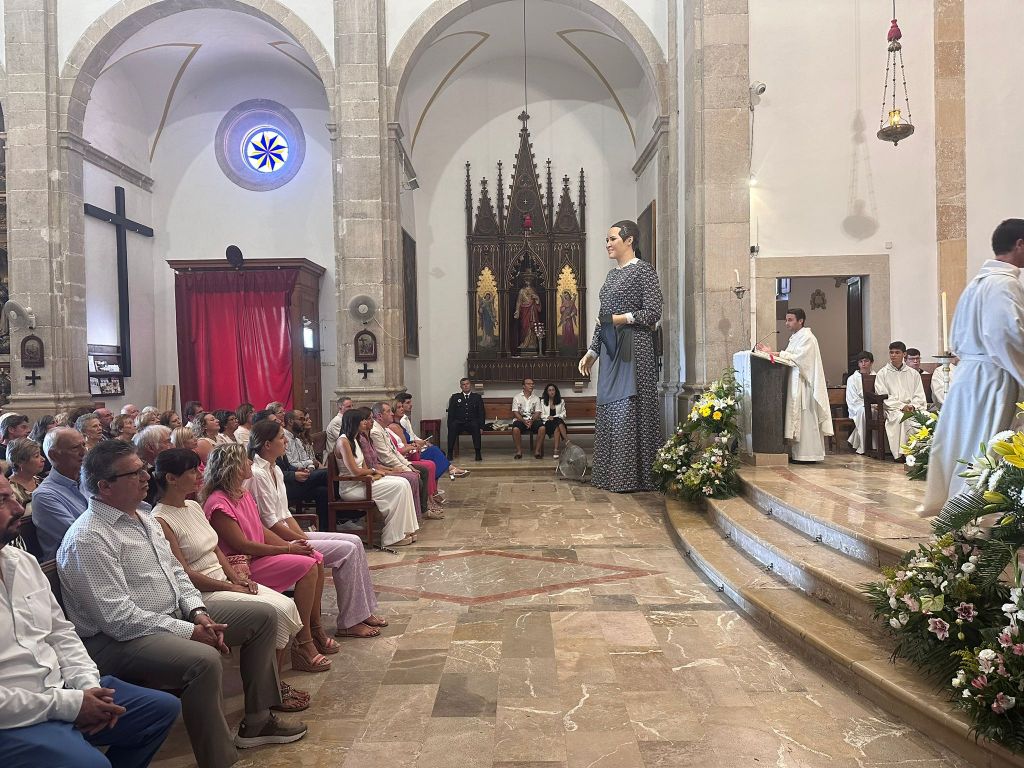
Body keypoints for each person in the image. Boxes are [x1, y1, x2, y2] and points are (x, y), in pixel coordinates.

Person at [57, 440, 307, 767]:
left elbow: (176, 571)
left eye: (144, 469)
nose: (147, 477)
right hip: (117, 640)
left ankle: (258, 721)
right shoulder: (89, 537)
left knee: (262, 616)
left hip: (170, 615)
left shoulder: (142, 517)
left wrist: (197, 612)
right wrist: (188, 631)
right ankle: (218, 759)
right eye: (134, 473)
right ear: (105, 486)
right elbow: (117, 618)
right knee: (203, 660)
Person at [0, 472, 181, 768]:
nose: (19, 508)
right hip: (15, 718)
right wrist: (70, 706)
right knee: (91, 764)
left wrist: (87, 687)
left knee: (159, 710)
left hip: (62, 688)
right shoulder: (86, 535)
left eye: (13, 496)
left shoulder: (22, 562)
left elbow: (60, 634)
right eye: (2, 500)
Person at [151, 448, 309, 713]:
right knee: (276, 611)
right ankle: (268, 692)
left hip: (224, 579)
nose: (200, 474)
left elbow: (215, 548)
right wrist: (229, 586)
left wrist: (237, 578)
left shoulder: (193, 506)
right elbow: (184, 573)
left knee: (287, 606)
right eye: (192, 470)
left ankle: (273, 682)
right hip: (202, 593)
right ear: (171, 478)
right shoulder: (160, 519)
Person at [247, 420, 387, 639]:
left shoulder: (275, 469)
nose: (285, 441)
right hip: (274, 539)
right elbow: (270, 523)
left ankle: (362, 612)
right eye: (281, 438)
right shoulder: (258, 473)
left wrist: (302, 536)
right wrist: (300, 541)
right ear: (267, 444)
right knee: (347, 551)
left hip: (286, 531)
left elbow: (285, 514)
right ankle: (349, 623)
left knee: (355, 541)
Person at [202, 443, 332, 674]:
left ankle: (315, 629)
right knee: (308, 565)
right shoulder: (218, 503)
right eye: (245, 459)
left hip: (257, 556)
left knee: (315, 557)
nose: (250, 462)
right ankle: (303, 642)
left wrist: (290, 545)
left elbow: (260, 529)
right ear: (233, 467)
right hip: (242, 565)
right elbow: (241, 544)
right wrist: (287, 550)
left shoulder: (242, 493)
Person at [924, 219, 1024, 513]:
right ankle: (977, 516)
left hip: (970, 374)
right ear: (1020, 244)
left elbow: (958, 338)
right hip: (993, 377)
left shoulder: (977, 284)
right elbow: (1006, 336)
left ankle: (959, 511)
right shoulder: (1003, 283)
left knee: (967, 443)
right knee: (988, 445)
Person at [578, 219, 664, 490]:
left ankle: (634, 477)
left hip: (635, 347)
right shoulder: (611, 276)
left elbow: (653, 312)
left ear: (629, 240)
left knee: (627, 408)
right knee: (609, 409)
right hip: (611, 349)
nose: (608, 244)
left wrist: (621, 318)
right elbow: (603, 318)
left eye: (612, 239)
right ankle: (610, 476)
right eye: (606, 239)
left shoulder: (644, 271)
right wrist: (593, 350)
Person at [756, 308, 833, 463]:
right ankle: (798, 454)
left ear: (801, 320)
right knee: (798, 420)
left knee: (806, 419)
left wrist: (776, 353)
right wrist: (772, 354)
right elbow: (790, 358)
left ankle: (809, 455)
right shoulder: (796, 337)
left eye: (790, 320)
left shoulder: (808, 337)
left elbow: (800, 360)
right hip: (796, 384)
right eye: (786, 320)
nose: (786, 323)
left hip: (804, 386)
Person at [335, 409, 419, 547]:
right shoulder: (343, 442)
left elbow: (363, 465)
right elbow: (355, 471)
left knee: (404, 483)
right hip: (351, 488)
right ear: (354, 422)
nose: (365, 422)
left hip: (363, 482)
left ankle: (405, 530)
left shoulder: (355, 439)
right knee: (398, 487)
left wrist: (374, 474)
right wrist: (374, 471)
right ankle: (392, 537)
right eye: (362, 420)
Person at [369, 402, 436, 518]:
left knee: (423, 470)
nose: (392, 413)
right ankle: (414, 513)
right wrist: (407, 469)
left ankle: (423, 510)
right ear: (379, 416)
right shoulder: (375, 431)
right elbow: (386, 457)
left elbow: (394, 452)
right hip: (386, 466)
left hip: (394, 463)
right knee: (416, 478)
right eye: (388, 411)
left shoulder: (383, 429)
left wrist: (409, 465)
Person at [31, 428, 88, 560]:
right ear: (54, 455)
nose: (84, 452)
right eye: (75, 448)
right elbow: (82, 539)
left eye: (84, 445)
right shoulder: (44, 496)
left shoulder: (89, 481)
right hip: (74, 563)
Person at [394, 393, 468, 480]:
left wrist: (423, 442)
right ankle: (446, 472)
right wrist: (419, 444)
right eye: (407, 403)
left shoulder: (404, 419)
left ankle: (445, 472)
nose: (411, 405)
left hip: (413, 446)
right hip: (410, 451)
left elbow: (412, 435)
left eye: (410, 402)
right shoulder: (400, 422)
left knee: (438, 451)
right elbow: (405, 443)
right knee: (435, 451)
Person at [874, 341, 927, 460]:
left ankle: (921, 453)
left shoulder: (913, 373)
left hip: (912, 408)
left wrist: (913, 406)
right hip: (892, 409)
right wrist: (902, 406)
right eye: (891, 352)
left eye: (897, 352)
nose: (893, 355)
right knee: (902, 418)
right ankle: (902, 453)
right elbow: (883, 395)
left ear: (904, 354)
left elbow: (919, 394)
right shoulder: (882, 373)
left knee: (925, 417)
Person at [446, 377, 485, 461]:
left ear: (470, 385)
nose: (466, 386)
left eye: (467, 384)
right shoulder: (455, 397)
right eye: (463, 384)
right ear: (461, 386)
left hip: (471, 422)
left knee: (476, 426)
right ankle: (449, 453)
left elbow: (481, 412)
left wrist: (481, 426)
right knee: (453, 426)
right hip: (459, 423)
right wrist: (449, 425)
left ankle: (478, 453)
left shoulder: (477, 397)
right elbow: (451, 413)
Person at [845, 352, 874, 455]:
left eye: (866, 361)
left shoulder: (877, 377)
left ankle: (877, 446)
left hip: (875, 406)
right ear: (858, 364)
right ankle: (864, 446)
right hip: (858, 407)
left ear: (871, 362)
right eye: (861, 361)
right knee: (864, 412)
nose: (863, 364)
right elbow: (852, 399)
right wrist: (867, 405)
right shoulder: (852, 379)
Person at [511, 377, 542, 459]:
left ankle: (537, 451)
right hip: (521, 420)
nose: (531, 385)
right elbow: (515, 412)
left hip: (533, 420)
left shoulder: (536, 398)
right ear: (523, 386)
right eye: (529, 384)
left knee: (542, 428)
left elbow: (537, 412)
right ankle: (519, 452)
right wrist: (524, 421)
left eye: (532, 384)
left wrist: (531, 420)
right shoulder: (517, 397)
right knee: (515, 429)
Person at [538, 383, 568, 459]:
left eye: (553, 390)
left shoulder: (561, 401)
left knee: (557, 426)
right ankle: (567, 441)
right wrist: (548, 417)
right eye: (550, 390)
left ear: (556, 391)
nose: (551, 392)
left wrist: (555, 417)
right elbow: (541, 414)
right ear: (547, 392)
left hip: (558, 422)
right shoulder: (542, 401)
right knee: (558, 423)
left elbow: (564, 414)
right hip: (548, 422)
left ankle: (556, 450)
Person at [513, 273, 542, 350]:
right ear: (524, 281)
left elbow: (538, 302)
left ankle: (532, 344)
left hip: (532, 310)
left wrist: (537, 298)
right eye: (526, 280)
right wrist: (517, 311)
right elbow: (519, 302)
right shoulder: (521, 291)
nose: (528, 282)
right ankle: (524, 343)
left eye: (529, 280)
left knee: (532, 326)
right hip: (524, 311)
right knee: (524, 326)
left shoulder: (534, 290)